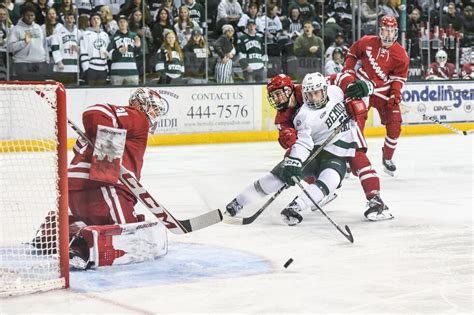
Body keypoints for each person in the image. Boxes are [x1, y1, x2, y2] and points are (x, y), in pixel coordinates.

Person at [225, 72, 358, 226]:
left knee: (332, 179)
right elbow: (301, 142)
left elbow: (344, 80)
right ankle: (239, 201)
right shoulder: (301, 116)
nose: (313, 98)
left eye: (278, 94)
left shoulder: (333, 91)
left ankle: (296, 206)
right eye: (273, 96)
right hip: (309, 150)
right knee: (278, 177)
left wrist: (362, 88)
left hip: (335, 152)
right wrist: (293, 162)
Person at [264, 73, 393, 221]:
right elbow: (295, 143)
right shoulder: (281, 119)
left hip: (340, 125)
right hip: (318, 140)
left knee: (357, 156)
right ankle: (321, 189)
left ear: (289, 90)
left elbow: (340, 78)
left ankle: (375, 200)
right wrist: (289, 140)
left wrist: (359, 86)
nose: (278, 99)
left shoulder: (307, 87)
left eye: (280, 94)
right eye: (274, 96)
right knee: (293, 158)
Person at [68, 88, 167, 269]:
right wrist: (107, 161)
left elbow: (78, 149)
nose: (155, 114)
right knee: (128, 239)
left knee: (119, 227)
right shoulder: (138, 117)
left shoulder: (124, 127)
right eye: (153, 108)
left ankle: (56, 230)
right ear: (140, 104)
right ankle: (80, 244)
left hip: (79, 189)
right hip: (104, 188)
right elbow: (95, 112)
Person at [342, 15, 409, 176]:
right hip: (363, 88)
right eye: (385, 30)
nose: (388, 34)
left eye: (391, 31)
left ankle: (387, 158)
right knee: (356, 123)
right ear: (380, 30)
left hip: (383, 92)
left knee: (395, 124)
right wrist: (349, 71)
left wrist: (394, 94)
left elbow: (399, 79)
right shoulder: (366, 42)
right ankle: (352, 159)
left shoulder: (401, 55)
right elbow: (352, 54)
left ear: (396, 32)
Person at [7, 3, 48, 81]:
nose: (30, 18)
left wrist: (46, 58)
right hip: (22, 63)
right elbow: (10, 48)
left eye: (32, 15)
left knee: (39, 90)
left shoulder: (38, 27)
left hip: (40, 62)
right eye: (27, 15)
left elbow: (44, 44)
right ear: (22, 15)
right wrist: (24, 42)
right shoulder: (16, 29)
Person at [108, 15, 141, 85]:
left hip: (132, 72)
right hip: (117, 73)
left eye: (124, 21)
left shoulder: (134, 36)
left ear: (127, 23)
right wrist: (118, 51)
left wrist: (137, 46)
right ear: (117, 24)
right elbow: (109, 55)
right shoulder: (113, 37)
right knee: (116, 95)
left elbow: (137, 54)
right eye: (120, 22)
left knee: (133, 95)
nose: (122, 23)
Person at [50, 12, 82, 84]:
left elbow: (83, 47)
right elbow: (54, 47)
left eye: (71, 18)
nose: (69, 20)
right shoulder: (57, 31)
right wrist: (59, 62)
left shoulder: (78, 32)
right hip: (62, 68)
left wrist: (79, 48)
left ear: (74, 20)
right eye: (67, 18)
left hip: (74, 68)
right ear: (64, 19)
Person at [80, 12, 110, 85]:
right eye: (94, 19)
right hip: (91, 68)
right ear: (90, 21)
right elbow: (83, 51)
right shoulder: (86, 34)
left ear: (100, 21)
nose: (96, 20)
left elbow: (107, 52)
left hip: (103, 68)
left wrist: (106, 67)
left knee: (101, 94)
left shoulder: (105, 35)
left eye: (98, 19)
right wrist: (86, 68)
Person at [237, 18, 266, 83]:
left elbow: (263, 53)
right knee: (249, 87)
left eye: (253, 25)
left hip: (260, 67)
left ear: (255, 26)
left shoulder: (259, 39)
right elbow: (240, 54)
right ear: (247, 26)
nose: (251, 27)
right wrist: (245, 65)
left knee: (262, 87)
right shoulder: (242, 38)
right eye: (249, 25)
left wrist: (264, 65)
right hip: (249, 68)